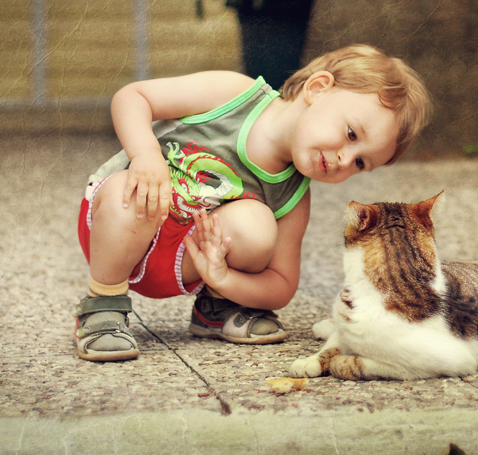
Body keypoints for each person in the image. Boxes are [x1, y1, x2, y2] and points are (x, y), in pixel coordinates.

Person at [74, 44, 434, 361]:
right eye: (352, 134)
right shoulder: (234, 95)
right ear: (318, 88)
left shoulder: (292, 197)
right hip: (115, 226)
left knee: (257, 224)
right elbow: (133, 97)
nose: (345, 159)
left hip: (183, 265)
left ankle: (217, 306)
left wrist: (224, 278)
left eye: (360, 163)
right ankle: (102, 305)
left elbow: (281, 284)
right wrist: (146, 155)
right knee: (131, 193)